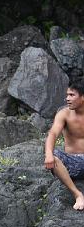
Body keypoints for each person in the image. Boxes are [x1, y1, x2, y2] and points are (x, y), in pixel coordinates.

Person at [44, 80, 84, 210]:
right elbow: (53, 134)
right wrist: (48, 155)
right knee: (54, 155)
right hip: (72, 164)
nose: (67, 99)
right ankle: (77, 194)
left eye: (72, 95)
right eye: (67, 95)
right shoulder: (64, 114)